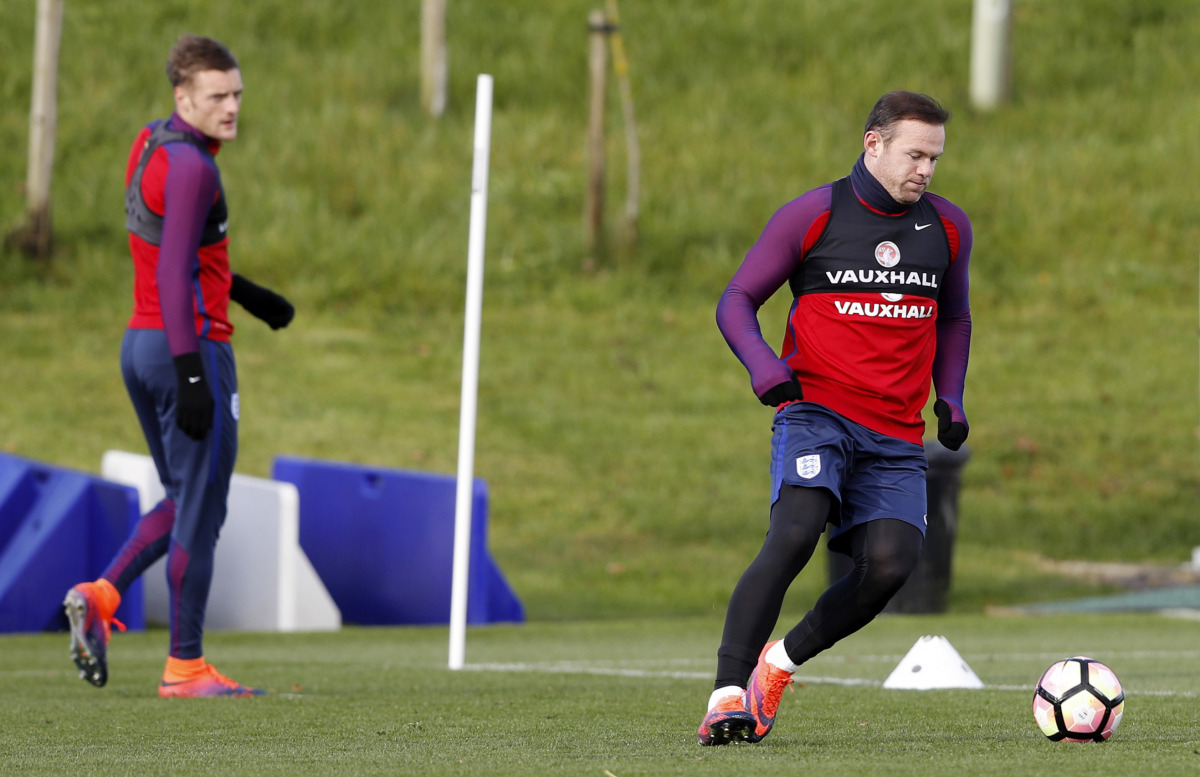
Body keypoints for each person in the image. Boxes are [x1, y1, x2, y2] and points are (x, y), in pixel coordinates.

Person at [697, 91, 973, 745]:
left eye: (934, 158)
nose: (926, 170)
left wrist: (951, 395)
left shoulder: (949, 227)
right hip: (817, 413)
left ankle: (778, 665)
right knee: (795, 532)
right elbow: (736, 299)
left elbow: (955, 317)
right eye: (915, 154)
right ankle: (726, 695)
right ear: (873, 144)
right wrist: (764, 366)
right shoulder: (814, 214)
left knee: (892, 564)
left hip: (896, 433)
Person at [63, 34, 294, 698]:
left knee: (184, 498)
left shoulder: (150, 143)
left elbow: (176, 248)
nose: (232, 107)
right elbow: (173, 273)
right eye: (217, 96)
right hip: (186, 346)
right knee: (203, 509)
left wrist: (248, 295)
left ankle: (101, 595)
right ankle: (185, 666)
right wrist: (193, 373)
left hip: (140, 346)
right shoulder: (195, 168)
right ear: (183, 96)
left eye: (237, 94)